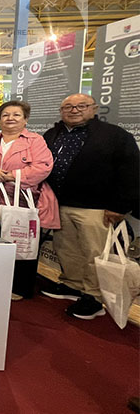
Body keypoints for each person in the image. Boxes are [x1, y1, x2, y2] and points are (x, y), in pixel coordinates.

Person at [40, 94, 140, 319]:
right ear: (61, 111)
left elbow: (131, 172)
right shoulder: (53, 134)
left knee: (95, 252)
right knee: (66, 249)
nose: (74, 110)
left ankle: (93, 297)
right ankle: (72, 285)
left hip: (97, 208)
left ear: (94, 109)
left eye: (81, 106)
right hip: (59, 204)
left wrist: (120, 205)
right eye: (68, 107)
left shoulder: (114, 136)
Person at [0, 100, 59, 301]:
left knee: (20, 243)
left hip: (21, 201)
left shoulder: (35, 141)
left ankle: (19, 287)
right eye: (6, 114)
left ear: (25, 119)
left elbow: (43, 168)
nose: (10, 118)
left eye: (16, 115)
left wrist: (9, 175)